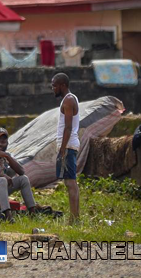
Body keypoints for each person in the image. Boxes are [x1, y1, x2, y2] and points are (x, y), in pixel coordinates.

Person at [52, 73, 80, 223]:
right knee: (70, 182)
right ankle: (75, 217)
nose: (53, 89)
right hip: (68, 145)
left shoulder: (68, 100)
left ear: (62, 85)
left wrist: (63, 149)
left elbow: (68, 127)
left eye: (55, 85)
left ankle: (74, 218)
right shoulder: (69, 99)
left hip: (68, 145)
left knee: (70, 182)